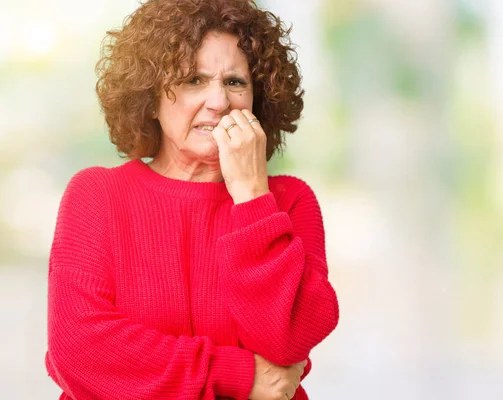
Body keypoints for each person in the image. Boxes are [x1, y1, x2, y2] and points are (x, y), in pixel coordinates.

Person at [45, 0, 339, 399]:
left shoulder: (289, 201)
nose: (219, 102)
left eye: (235, 82)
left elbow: (287, 341)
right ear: (150, 98)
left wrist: (252, 196)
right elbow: (80, 351)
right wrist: (238, 375)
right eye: (193, 80)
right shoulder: (97, 196)